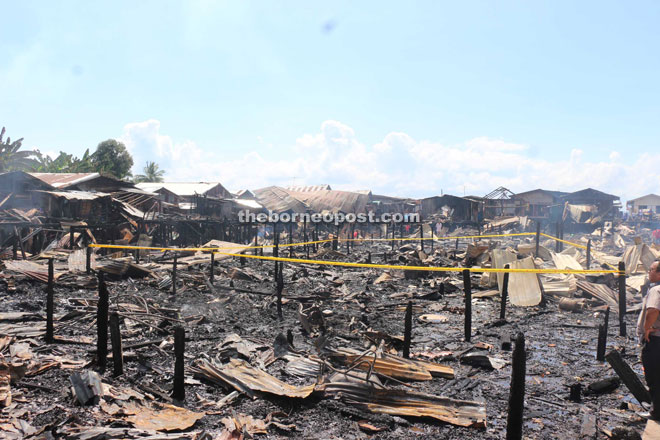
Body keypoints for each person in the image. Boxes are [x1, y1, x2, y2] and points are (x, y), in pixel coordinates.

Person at [637, 261, 660, 420]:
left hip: (656, 341)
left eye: (651, 270)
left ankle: (656, 412)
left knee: (654, 376)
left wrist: (647, 328)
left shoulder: (656, 290)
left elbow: (652, 310)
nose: (649, 272)